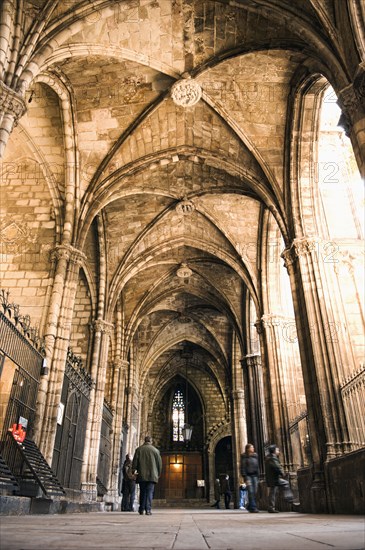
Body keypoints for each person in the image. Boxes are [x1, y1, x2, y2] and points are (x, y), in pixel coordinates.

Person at [132, 435, 162, 516]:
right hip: (152, 475)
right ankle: (148, 510)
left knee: (142, 492)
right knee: (149, 493)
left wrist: (133, 471)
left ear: (144, 441)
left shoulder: (139, 449)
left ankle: (141, 509)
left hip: (142, 474)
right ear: (151, 441)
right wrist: (158, 473)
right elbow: (159, 464)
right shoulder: (156, 451)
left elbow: (135, 462)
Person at [265, 444, 294, 513]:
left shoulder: (269, 458)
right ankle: (288, 497)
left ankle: (271, 507)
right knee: (286, 483)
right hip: (274, 479)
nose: (279, 451)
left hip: (271, 478)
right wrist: (282, 473)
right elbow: (277, 467)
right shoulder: (273, 458)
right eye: (277, 450)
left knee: (273, 492)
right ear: (274, 451)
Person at [240, 443, 260, 512]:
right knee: (251, 491)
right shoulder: (244, 456)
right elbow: (242, 467)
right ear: (248, 449)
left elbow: (257, 466)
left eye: (253, 447)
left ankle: (249, 505)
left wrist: (258, 475)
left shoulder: (255, 456)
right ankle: (253, 507)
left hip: (255, 476)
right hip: (248, 476)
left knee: (255, 491)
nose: (253, 449)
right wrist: (245, 477)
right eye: (251, 447)